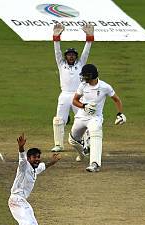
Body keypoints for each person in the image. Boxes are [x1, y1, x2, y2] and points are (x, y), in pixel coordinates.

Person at [0, 133, 60, 225]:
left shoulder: (36, 168)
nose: (37, 159)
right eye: (34, 157)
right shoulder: (24, 166)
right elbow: (22, 160)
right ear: (29, 158)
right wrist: (21, 148)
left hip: (23, 202)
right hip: (15, 200)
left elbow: (44, 166)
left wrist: (52, 162)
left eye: (38, 157)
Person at [70, 64, 126, 172]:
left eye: (86, 75)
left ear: (92, 75)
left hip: (95, 118)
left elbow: (117, 100)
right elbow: (74, 100)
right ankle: (83, 152)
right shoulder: (82, 85)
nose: (83, 78)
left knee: (96, 134)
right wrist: (84, 106)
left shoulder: (105, 87)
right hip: (81, 116)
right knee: (72, 140)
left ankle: (95, 163)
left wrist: (119, 113)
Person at [51, 22, 94, 158]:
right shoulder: (61, 64)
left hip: (78, 95)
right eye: (69, 54)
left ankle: (87, 143)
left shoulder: (81, 63)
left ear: (76, 56)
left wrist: (89, 37)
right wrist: (56, 37)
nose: (71, 56)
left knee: (83, 120)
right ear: (66, 56)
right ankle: (58, 144)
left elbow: (86, 52)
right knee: (59, 120)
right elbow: (57, 51)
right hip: (64, 95)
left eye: (73, 55)